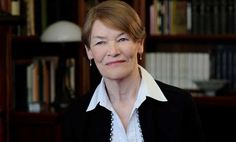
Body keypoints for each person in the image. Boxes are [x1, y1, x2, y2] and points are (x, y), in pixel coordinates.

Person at [63, 1, 204, 142]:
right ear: (89, 52)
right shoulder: (76, 114)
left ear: (140, 44)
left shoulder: (180, 104)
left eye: (122, 39)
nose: (113, 52)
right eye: (100, 42)